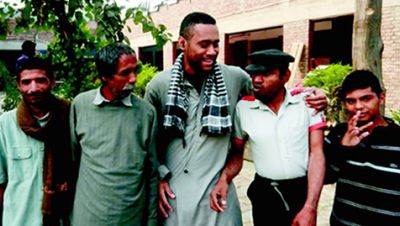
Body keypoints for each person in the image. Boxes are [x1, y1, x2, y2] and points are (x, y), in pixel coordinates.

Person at [145, 12, 327, 226]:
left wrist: (313, 93)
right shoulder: (160, 85)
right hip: (175, 192)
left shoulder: (234, 77)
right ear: (183, 44)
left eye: (216, 44)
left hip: (217, 190)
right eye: (204, 44)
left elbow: (271, 93)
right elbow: (148, 139)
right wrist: (158, 177)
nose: (212, 51)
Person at [233, 49, 326, 226]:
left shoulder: (307, 102)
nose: (257, 80)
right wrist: (224, 180)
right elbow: (236, 154)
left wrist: (310, 206)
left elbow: (317, 153)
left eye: (266, 74)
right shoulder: (243, 108)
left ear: (285, 76)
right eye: (253, 74)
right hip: (264, 194)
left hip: (301, 192)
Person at [69, 43, 158, 226]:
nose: (133, 79)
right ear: (104, 76)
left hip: (131, 217)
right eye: (125, 73)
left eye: (136, 70)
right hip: (87, 217)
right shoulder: (81, 105)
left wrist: (151, 220)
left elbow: (152, 172)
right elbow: (72, 161)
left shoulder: (147, 113)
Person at [0, 57, 74, 226]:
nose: (33, 88)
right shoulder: (5, 124)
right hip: (21, 220)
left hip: (63, 218)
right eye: (26, 82)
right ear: (18, 85)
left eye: (40, 80)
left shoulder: (69, 116)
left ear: (52, 82)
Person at [324, 70, 400, 225]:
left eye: (366, 99)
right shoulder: (338, 134)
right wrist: (344, 148)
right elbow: (324, 178)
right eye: (351, 101)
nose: (358, 107)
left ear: (381, 97)